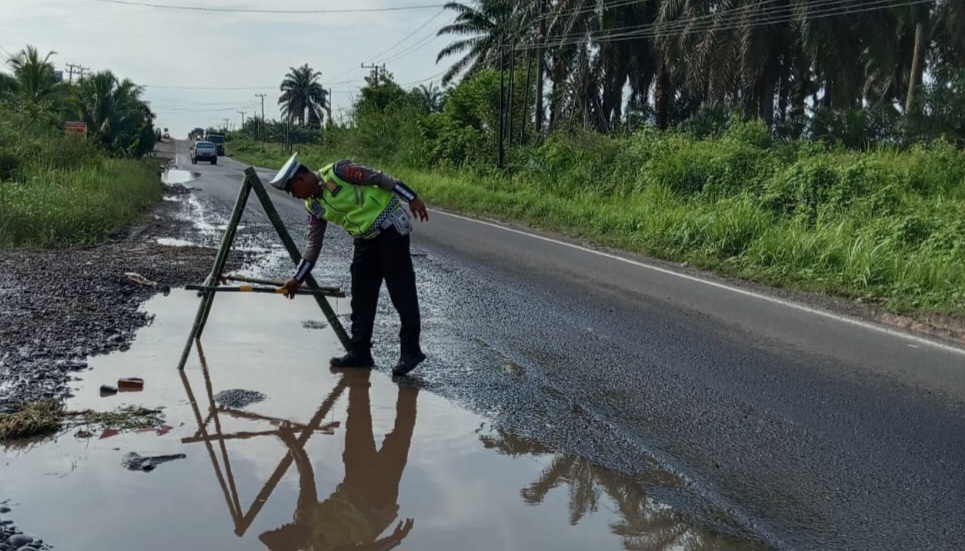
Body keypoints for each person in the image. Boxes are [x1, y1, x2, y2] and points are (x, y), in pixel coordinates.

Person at [269, 152, 429, 377]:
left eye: (292, 190)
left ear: (300, 179)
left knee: (401, 293)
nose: (293, 195)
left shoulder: (339, 172)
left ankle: (411, 352)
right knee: (361, 296)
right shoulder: (313, 206)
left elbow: (380, 179)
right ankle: (360, 353)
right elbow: (313, 244)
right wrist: (298, 278)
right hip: (364, 240)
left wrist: (411, 197)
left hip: (390, 229)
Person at [259, 369, 418, 551]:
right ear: (293, 546)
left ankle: (360, 369)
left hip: (353, 480)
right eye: (283, 531)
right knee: (401, 435)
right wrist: (394, 540)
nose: (285, 525)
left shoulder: (304, 515)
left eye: (282, 527)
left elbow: (306, 475)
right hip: (377, 501)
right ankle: (409, 383)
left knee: (357, 417)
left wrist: (292, 443)